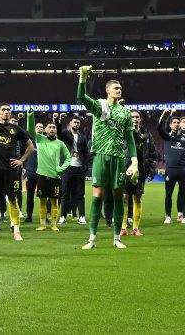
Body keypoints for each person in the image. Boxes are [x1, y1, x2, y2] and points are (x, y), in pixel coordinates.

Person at [76, 66, 138, 250]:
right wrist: (82, 79)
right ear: (108, 90)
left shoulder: (125, 112)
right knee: (97, 197)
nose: (119, 90)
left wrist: (134, 161)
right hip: (100, 156)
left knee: (118, 197)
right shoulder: (99, 106)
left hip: (118, 157)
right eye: (116, 88)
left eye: (120, 88)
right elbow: (81, 97)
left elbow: (130, 138)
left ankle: (117, 238)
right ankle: (92, 238)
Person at [0, 103, 32, 242]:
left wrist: (21, 160)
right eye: (3, 109)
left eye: (9, 110)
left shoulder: (16, 129)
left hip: (11, 171)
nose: (6, 112)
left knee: (13, 199)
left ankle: (16, 231)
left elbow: (30, 146)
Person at [27, 110, 70, 232]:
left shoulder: (60, 143)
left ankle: (53, 224)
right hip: (41, 175)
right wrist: (30, 116)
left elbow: (68, 157)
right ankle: (42, 224)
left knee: (54, 202)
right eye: (50, 127)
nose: (52, 129)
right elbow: (30, 130)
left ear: (56, 130)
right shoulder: (40, 139)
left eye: (54, 127)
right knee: (42, 201)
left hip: (55, 176)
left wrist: (61, 168)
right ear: (45, 130)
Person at [121, 109, 157, 237]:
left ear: (140, 119)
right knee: (124, 197)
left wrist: (151, 170)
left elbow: (152, 153)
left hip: (141, 170)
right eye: (132, 117)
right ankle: (123, 227)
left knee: (137, 198)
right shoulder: (124, 132)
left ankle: (136, 228)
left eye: (137, 117)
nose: (135, 119)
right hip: (126, 169)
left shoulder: (146, 134)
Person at [157, 109, 185, 225]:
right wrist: (164, 114)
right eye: (174, 123)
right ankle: (168, 216)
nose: (176, 124)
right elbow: (159, 128)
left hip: (183, 170)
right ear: (170, 125)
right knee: (168, 194)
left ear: (180, 124)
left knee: (184, 194)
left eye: (178, 122)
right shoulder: (167, 136)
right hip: (170, 170)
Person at [58, 113, 90, 224]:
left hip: (79, 168)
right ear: (70, 123)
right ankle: (63, 216)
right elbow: (59, 133)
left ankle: (82, 216)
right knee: (65, 193)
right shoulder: (65, 134)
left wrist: (85, 166)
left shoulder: (82, 137)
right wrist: (59, 121)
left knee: (80, 193)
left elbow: (86, 153)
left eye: (78, 122)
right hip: (67, 167)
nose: (76, 124)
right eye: (74, 122)